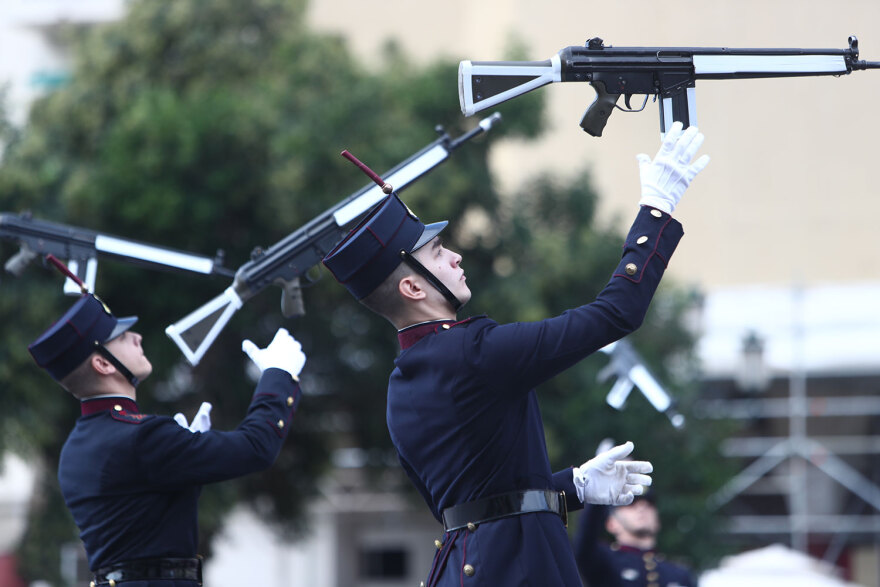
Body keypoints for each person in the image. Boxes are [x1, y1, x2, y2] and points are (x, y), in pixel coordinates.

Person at [322, 121, 709, 586]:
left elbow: (481, 499)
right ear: (411, 285)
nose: (455, 258)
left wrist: (574, 487)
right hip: (518, 569)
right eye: (439, 253)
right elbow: (616, 314)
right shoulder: (474, 352)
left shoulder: (400, 385)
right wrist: (656, 210)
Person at [27, 274, 306, 586]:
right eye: (121, 338)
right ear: (103, 365)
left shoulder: (76, 448)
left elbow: (138, 525)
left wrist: (185, 461)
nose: (137, 338)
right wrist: (279, 377)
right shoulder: (142, 437)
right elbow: (256, 448)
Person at [574, 486, 697, 587]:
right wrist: (601, 487)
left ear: (658, 522)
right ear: (611, 524)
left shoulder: (680, 574)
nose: (642, 507)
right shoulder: (603, 560)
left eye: (649, 504)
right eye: (630, 503)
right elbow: (585, 538)